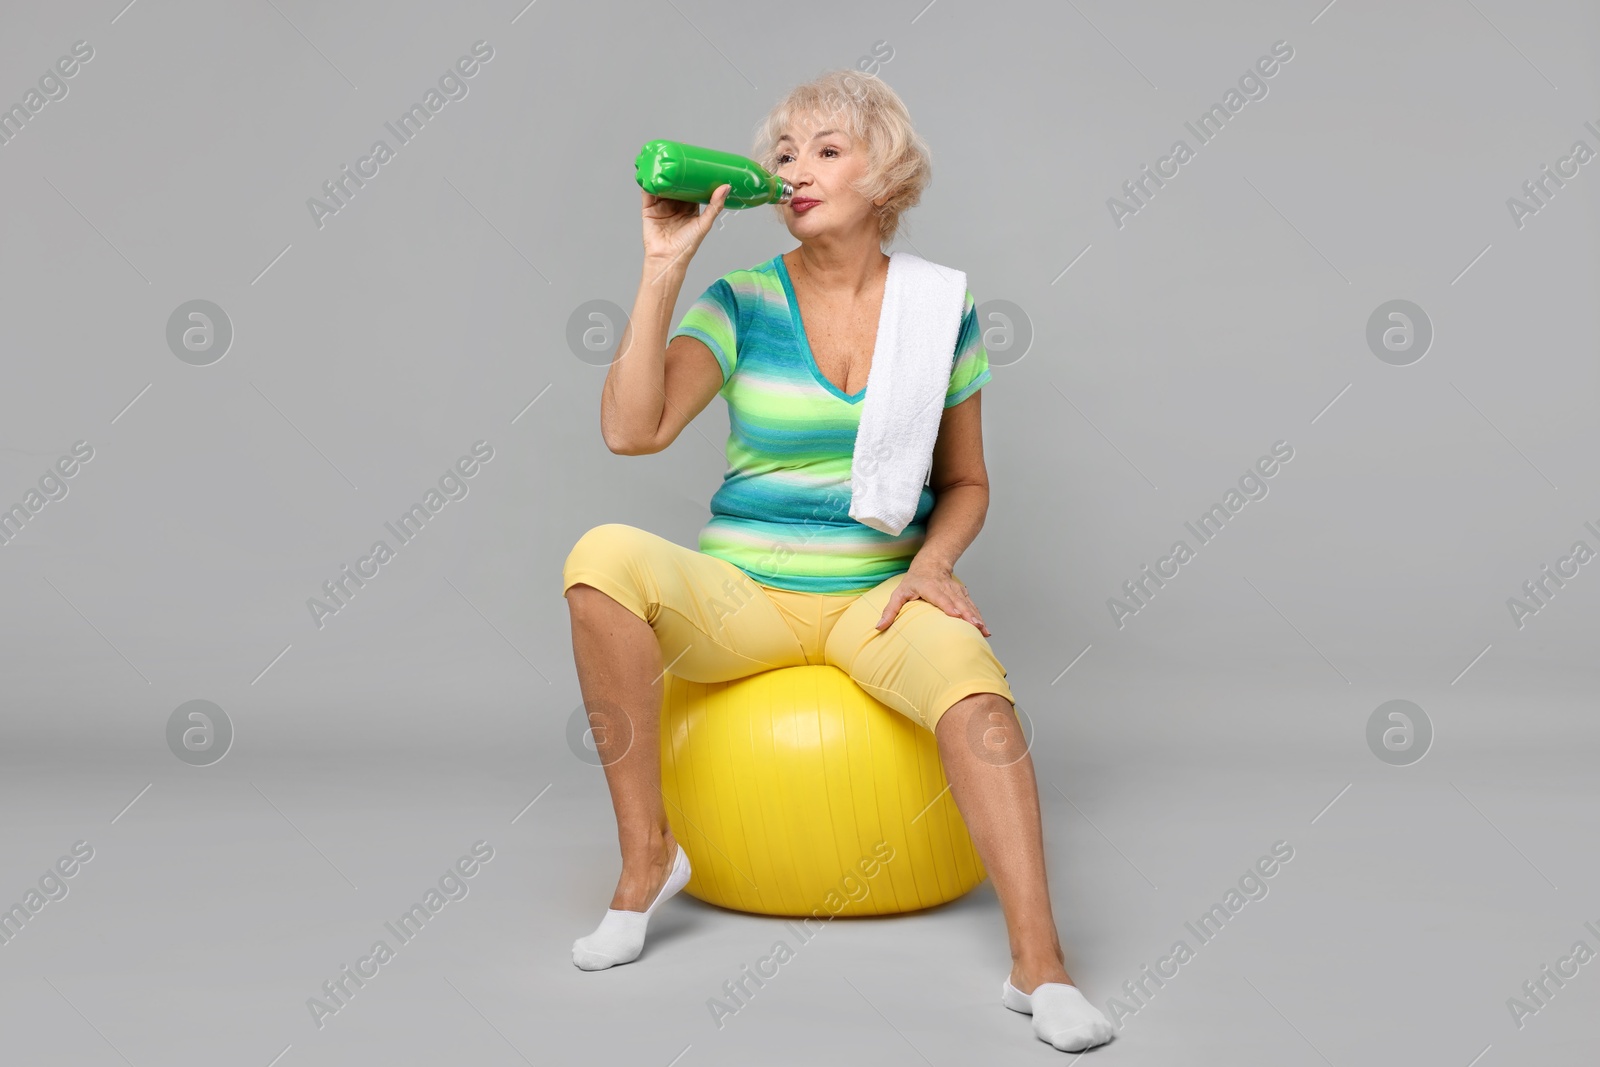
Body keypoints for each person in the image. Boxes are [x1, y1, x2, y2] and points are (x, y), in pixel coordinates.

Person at [563, 70, 1114, 1054]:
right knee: (598, 555)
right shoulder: (740, 299)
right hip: (743, 595)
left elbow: (968, 482)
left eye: (827, 148)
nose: (796, 169)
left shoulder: (939, 307)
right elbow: (629, 429)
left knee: (980, 698)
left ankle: (1041, 964)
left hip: (876, 596)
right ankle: (647, 859)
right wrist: (662, 264)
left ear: (886, 172)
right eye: (783, 153)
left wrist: (932, 563)